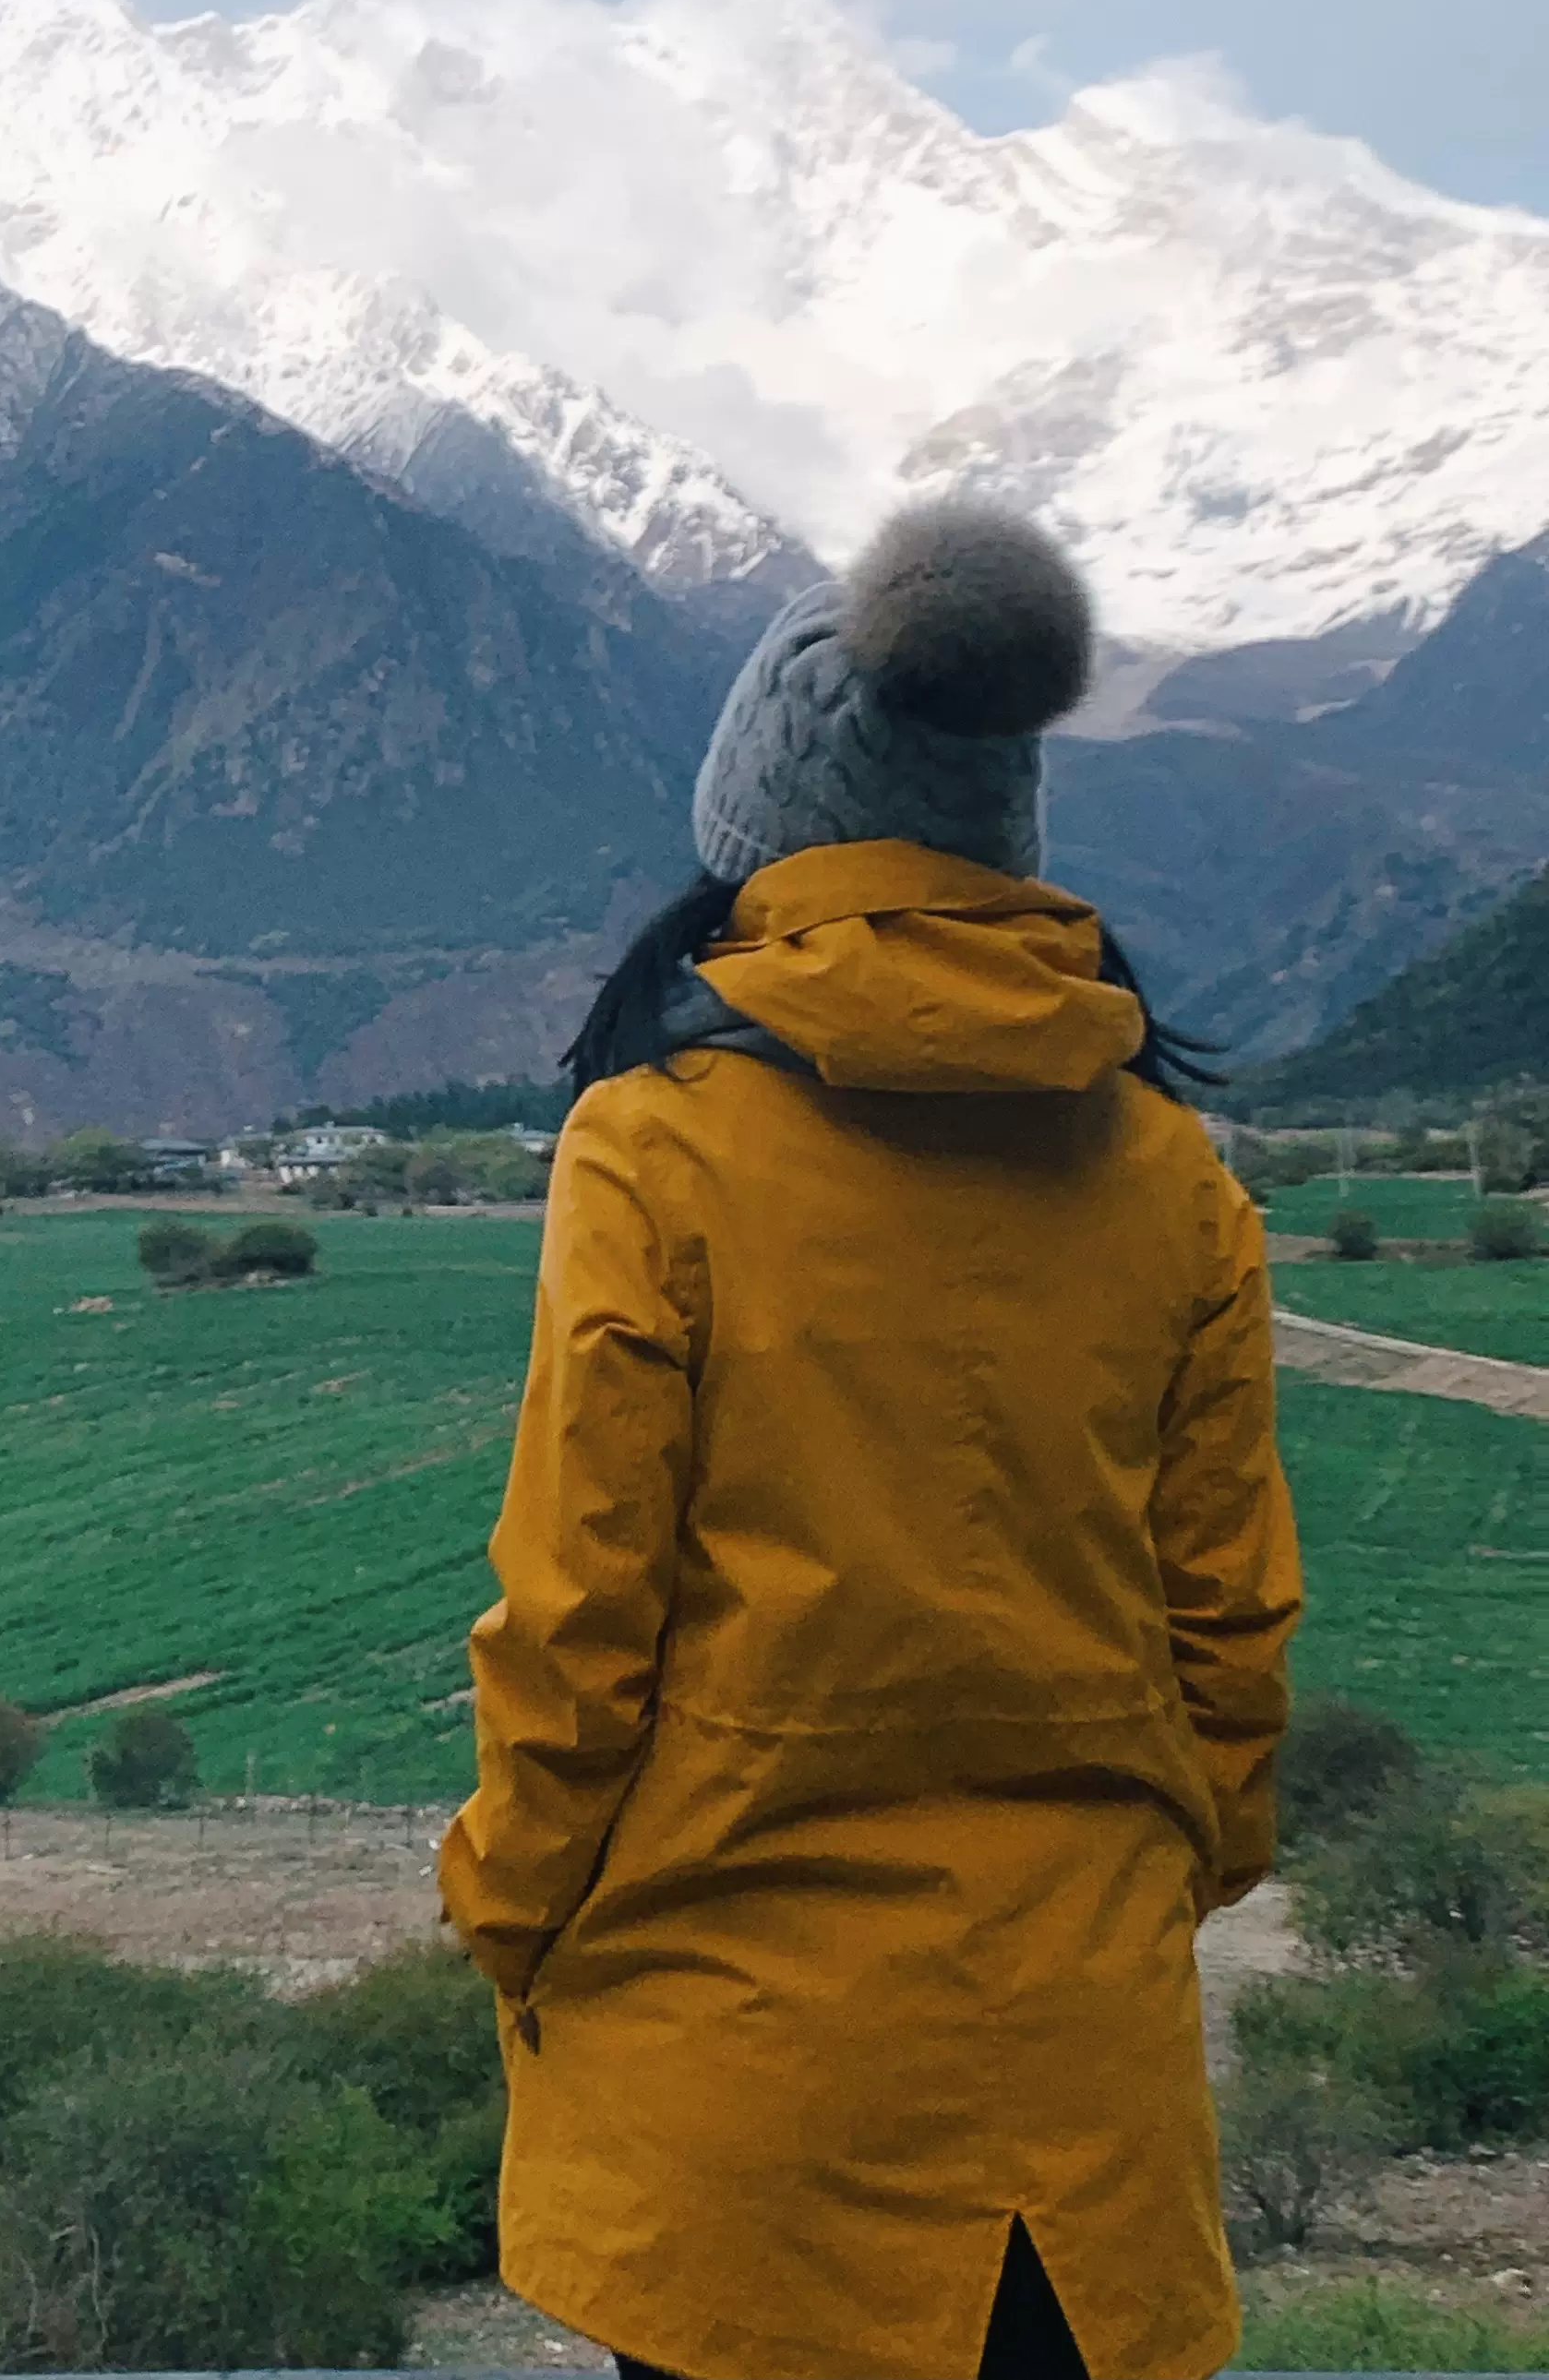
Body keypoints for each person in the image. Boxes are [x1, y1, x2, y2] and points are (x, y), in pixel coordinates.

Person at [439, 500, 1302, 2380]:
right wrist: (1142, 1890)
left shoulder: (654, 1142)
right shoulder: (1171, 1175)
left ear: (754, 836)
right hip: (1082, 2104)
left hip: (737, 2100)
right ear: (1007, 831)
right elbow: (1230, 1633)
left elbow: (579, 1616)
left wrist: (510, 1905)